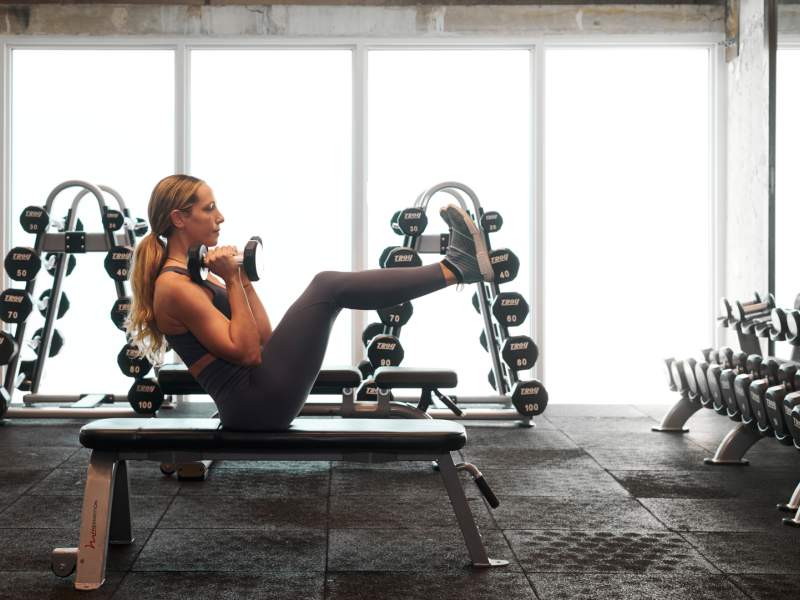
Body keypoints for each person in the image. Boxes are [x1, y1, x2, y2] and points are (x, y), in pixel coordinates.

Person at [127, 174, 493, 430]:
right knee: (327, 287)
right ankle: (456, 268)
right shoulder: (173, 287)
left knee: (328, 287)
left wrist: (238, 279)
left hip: (260, 397)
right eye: (209, 209)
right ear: (179, 218)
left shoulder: (195, 277)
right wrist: (233, 281)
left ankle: (456, 268)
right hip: (254, 406)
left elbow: (265, 337)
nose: (220, 217)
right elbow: (248, 353)